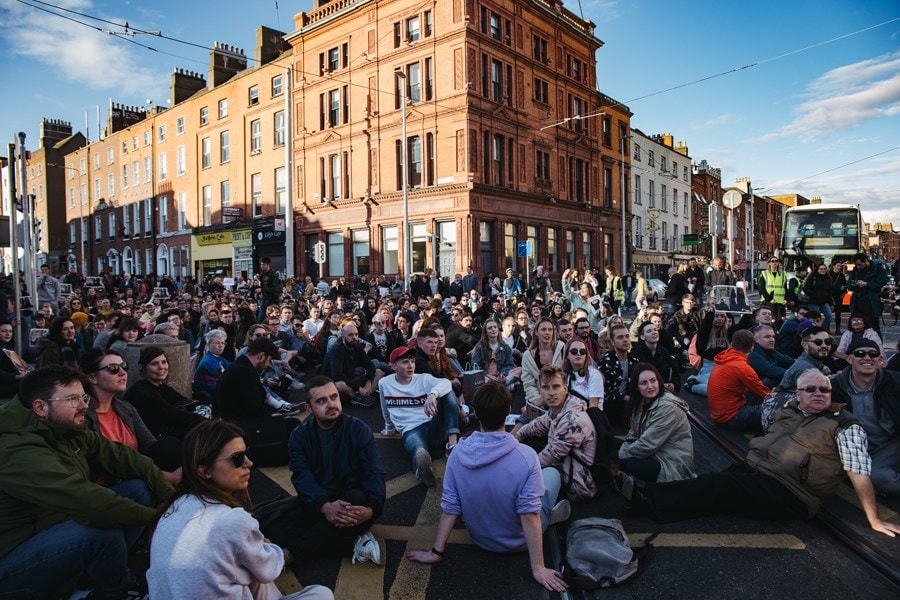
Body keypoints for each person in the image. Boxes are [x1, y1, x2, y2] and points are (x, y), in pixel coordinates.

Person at [620, 369, 900, 538]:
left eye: (824, 389)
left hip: (791, 492)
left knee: (719, 486)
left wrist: (873, 519)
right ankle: (660, 505)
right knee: (715, 486)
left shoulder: (843, 424)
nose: (819, 393)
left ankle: (648, 499)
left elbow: (858, 471)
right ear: (798, 394)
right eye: (811, 389)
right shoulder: (790, 410)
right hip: (759, 470)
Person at [0, 366, 172, 598]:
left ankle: (90, 582)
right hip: (14, 556)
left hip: (54, 526)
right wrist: (158, 520)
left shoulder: (64, 427)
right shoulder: (15, 449)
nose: (84, 406)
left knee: (138, 489)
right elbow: (84, 498)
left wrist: (170, 502)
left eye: (84, 397)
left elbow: (125, 457)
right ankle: (118, 589)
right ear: (40, 407)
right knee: (101, 530)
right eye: (72, 399)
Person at [406, 381, 570, 593]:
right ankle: (551, 515)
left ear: (476, 414)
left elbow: (450, 507)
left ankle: (551, 513)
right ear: (508, 411)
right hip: (519, 542)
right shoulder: (526, 456)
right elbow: (529, 515)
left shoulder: (456, 454)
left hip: (481, 540)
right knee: (552, 475)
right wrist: (538, 568)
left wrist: (436, 552)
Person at [147, 419, 333, 600]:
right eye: (237, 458)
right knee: (322, 594)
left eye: (246, 453)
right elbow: (270, 568)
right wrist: (268, 547)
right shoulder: (231, 520)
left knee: (249, 566)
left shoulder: (174, 506)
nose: (248, 463)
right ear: (204, 471)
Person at [260, 376, 388, 563]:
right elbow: (302, 477)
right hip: (318, 502)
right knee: (273, 527)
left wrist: (371, 509)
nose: (331, 404)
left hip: (352, 502)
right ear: (309, 409)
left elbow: (373, 473)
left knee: (353, 502)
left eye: (334, 397)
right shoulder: (299, 436)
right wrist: (324, 506)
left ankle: (291, 555)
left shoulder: (359, 430)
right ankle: (353, 543)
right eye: (321, 401)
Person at [82, 349, 182, 484]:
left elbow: (150, 444)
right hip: (111, 480)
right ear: (92, 378)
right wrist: (168, 477)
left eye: (124, 366)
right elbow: (105, 464)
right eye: (113, 369)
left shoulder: (126, 408)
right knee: (139, 487)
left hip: (138, 470)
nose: (123, 373)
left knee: (170, 444)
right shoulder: (83, 415)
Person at [379, 346, 459, 487]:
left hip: (434, 425)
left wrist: (433, 394)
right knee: (418, 449)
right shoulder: (385, 383)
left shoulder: (423, 378)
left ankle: (453, 444)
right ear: (393, 366)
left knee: (447, 392)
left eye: (412, 361)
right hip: (411, 429)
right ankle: (422, 469)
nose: (410, 366)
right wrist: (389, 428)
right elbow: (385, 408)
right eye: (405, 362)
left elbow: (446, 383)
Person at [516, 365, 598, 501]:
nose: (551, 393)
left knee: (526, 475)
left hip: (578, 484)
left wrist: (513, 469)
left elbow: (548, 456)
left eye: (556, 387)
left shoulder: (572, 420)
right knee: (528, 441)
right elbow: (534, 426)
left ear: (565, 389)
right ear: (540, 391)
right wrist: (515, 439)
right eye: (546, 388)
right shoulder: (558, 410)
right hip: (565, 466)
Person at [831, 339, 900, 496]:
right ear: (849, 359)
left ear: (880, 359)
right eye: (860, 353)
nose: (867, 358)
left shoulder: (894, 381)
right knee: (882, 479)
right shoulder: (834, 388)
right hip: (860, 452)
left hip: (892, 443)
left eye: (873, 354)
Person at [618, 363, 695, 483]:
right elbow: (633, 434)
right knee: (611, 445)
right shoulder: (641, 402)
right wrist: (622, 452)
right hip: (654, 453)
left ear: (659, 381)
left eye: (653, 381)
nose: (650, 386)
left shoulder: (668, 407)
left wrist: (620, 458)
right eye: (643, 383)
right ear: (636, 387)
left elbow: (647, 444)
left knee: (629, 464)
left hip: (671, 463)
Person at [124, 346, 206, 439]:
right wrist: (208, 422)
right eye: (154, 364)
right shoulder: (141, 392)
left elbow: (182, 401)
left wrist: (201, 406)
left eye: (164, 362)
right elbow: (172, 415)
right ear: (143, 368)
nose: (161, 367)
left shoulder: (160, 386)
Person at [706, 330, 770, 432]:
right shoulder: (742, 367)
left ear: (732, 345)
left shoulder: (726, 357)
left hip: (719, 414)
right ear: (752, 348)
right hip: (729, 418)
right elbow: (763, 393)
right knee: (774, 409)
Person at [323, 322, 383, 407]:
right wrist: (358, 388)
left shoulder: (357, 346)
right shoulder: (337, 349)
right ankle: (357, 398)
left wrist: (368, 382)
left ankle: (366, 393)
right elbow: (337, 376)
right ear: (343, 337)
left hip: (350, 379)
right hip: (332, 384)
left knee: (379, 372)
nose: (354, 337)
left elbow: (370, 365)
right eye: (350, 335)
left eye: (356, 334)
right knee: (341, 384)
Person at [521, 318, 566, 415]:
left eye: (550, 330)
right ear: (536, 332)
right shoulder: (528, 356)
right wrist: (539, 400)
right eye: (544, 329)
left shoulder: (562, 348)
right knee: (522, 422)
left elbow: (567, 376)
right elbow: (528, 384)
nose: (547, 333)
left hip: (562, 400)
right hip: (539, 402)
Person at [597, 323, 639, 423]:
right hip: (610, 408)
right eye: (620, 337)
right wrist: (623, 397)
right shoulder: (606, 361)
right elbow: (602, 391)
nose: (625, 340)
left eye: (627, 336)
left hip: (630, 407)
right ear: (612, 342)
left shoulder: (634, 360)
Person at [631, 321, 681, 393]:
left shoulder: (664, 352)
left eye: (655, 330)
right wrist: (661, 385)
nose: (654, 332)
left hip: (666, 392)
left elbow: (675, 373)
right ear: (642, 337)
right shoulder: (636, 353)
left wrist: (673, 384)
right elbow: (636, 377)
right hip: (645, 393)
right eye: (649, 331)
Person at [847, 253, 888, 336]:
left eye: (860, 264)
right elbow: (849, 286)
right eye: (856, 265)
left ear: (866, 261)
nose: (858, 267)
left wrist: (866, 284)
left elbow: (881, 284)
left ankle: (877, 346)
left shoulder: (877, 269)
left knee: (873, 327)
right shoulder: (855, 271)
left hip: (871, 303)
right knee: (856, 327)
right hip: (857, 303)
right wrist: (853, 284)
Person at [561, 337, 604, 409]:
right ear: (567, 355)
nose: (578, 354)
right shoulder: (564, 375)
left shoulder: (594, 374)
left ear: (586, 355)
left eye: (582, 351)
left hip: (589, 415)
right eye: (574, 351)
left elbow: (593, 405)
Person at [193, 329, 231, 399]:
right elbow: (215, 387)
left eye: (223, 343)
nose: (221, 346)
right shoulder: (208, 362)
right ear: (208, 345)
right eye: (217, 343)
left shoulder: (220, 359)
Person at [803, 262, 834, 331]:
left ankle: (824, 330)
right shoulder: (812, 278)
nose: (823, 270)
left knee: (829, 316)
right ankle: (814, 330)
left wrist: (831, 303)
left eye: (824, 269)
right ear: (817, 270)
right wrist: (815, 295)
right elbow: (806, 289)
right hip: (814, 302)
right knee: (814, 318)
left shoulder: (828, 279)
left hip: (824, 301)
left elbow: (829, 292)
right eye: (821, 269)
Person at [758, 257, 789, 325]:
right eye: (772, 261)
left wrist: (786, 299)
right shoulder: (765, 273)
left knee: (780, 320)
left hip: (780, 301)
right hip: (769, 301)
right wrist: (769, 299)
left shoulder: (783, 274)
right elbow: (761, 288)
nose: (774, 262)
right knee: (770, 320)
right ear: (769, 263)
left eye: (776, 261)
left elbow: (785, 288)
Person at [258, 256, 281, 321]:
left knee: (273, 317)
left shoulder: (273, 274)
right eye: (261, 264)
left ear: (268, 265)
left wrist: (262, 289)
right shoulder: (262, 274)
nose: (262, 266)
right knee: (261, 319)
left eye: (264, 265)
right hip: (265, 298)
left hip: (273, 299)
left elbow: (275, 288)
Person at [830, 261, 848, 335]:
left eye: (840, 266)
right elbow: (828, 286)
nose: (839, 267)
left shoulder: (842, 276)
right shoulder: (828, 274)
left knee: (838, 313)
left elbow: (845, 286)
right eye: (838, 266)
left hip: (839, 297)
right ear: (833, 266)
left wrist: (843, 293)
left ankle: (838, 329)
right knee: (828, 313)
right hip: (830, 296)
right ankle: (827, 329)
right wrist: (838, 287)